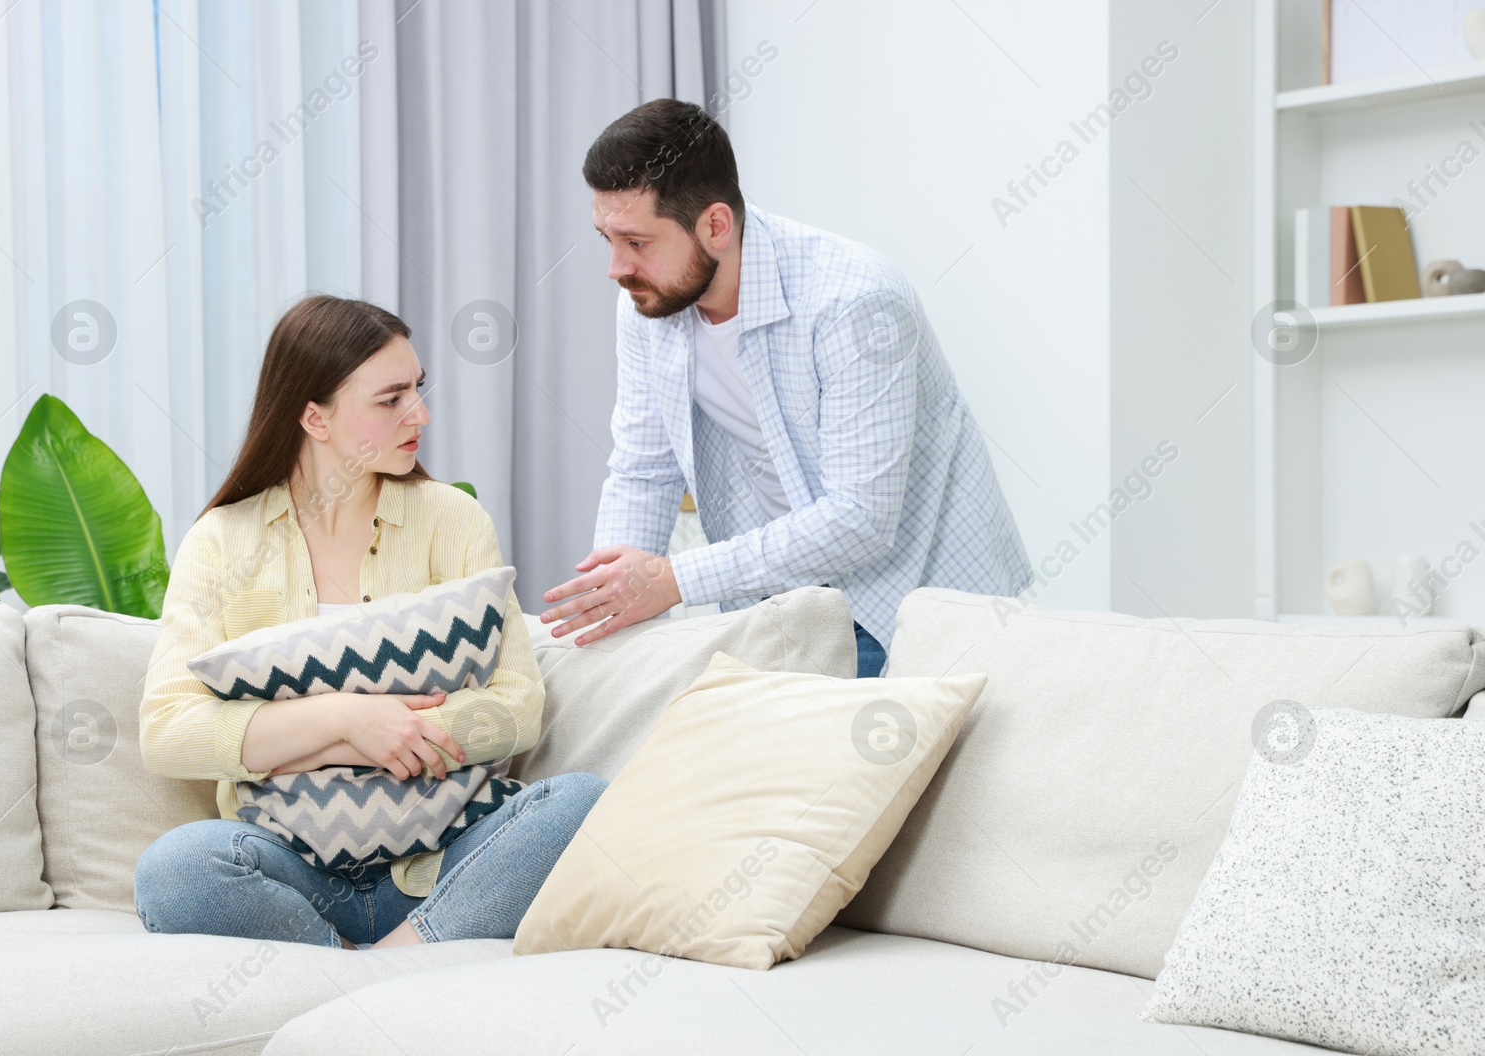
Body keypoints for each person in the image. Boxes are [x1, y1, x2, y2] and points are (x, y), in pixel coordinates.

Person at [135, 295, 605, 951]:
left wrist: (399, 733)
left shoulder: (453, 520)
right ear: (312, 416)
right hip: (295, 869)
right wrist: (347, 723)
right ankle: (377, 963)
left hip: (446, 858)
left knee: (583, 802)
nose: (421, 414)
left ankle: (392, 958)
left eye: (418, 389)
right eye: (391, 400)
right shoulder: (222, 540)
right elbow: (166, 729)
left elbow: (518, 704)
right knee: (176, 869)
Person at [540, 99, 1033, 678]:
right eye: (608, 239)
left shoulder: (856, 302)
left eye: (637, 242)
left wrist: (672, 581)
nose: (616, 268)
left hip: (916, 599)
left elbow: (860, 519)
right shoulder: (650, 305)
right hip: (789, 601)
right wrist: (611, 607)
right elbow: (644, 470)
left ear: (716, 226)